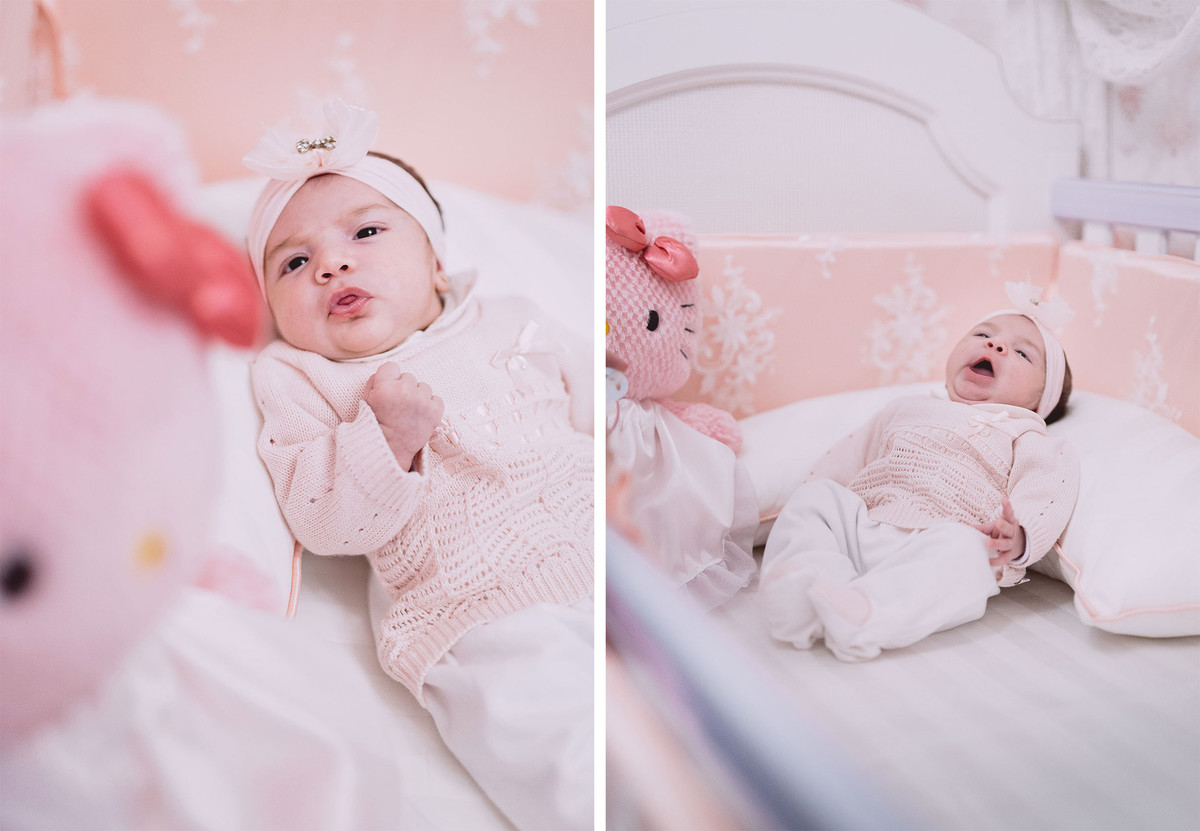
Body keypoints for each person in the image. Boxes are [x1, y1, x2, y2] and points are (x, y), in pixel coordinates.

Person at [243, 100, 593, 831]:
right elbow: (322, 516)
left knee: (700, 698)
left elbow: (597, 410)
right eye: (294, 262)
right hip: (479, 603)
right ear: (272, 308)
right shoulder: (301, 377)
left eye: (367, 231)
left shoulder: (513, 316)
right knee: (565, 745)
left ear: (436, 263)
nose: (333, 263)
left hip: (605, 550)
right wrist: (385, 435)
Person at [759, 284, 1080, 662]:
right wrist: (813, 501)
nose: (995, 346)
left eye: (1023, 353)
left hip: (941, 542)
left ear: (1040, 401)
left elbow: (1048, 491)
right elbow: (846, 460)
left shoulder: (1026, 434)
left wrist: (1020, 536)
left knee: (968, 554)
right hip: (866, 525)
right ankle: (806, 582)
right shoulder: (906, 408)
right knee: (818, 497)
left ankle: (868, 611)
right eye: (982, 334)